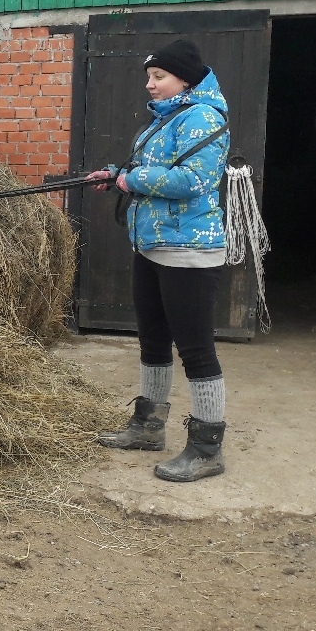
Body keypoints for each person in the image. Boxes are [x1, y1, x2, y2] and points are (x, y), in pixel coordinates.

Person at [85, 39, 231, 482]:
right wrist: (115, 175)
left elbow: (193, 178)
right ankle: (148, 427)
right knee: (152, 341)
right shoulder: (165, 121)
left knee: (196, 351)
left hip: (189, 251)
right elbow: (147, 171)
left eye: (158, 77)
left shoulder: (205, 118)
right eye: (148, 77)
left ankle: (207, 449)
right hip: (151, 244)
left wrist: (130, 180)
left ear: (184, 79)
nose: (149, 85)